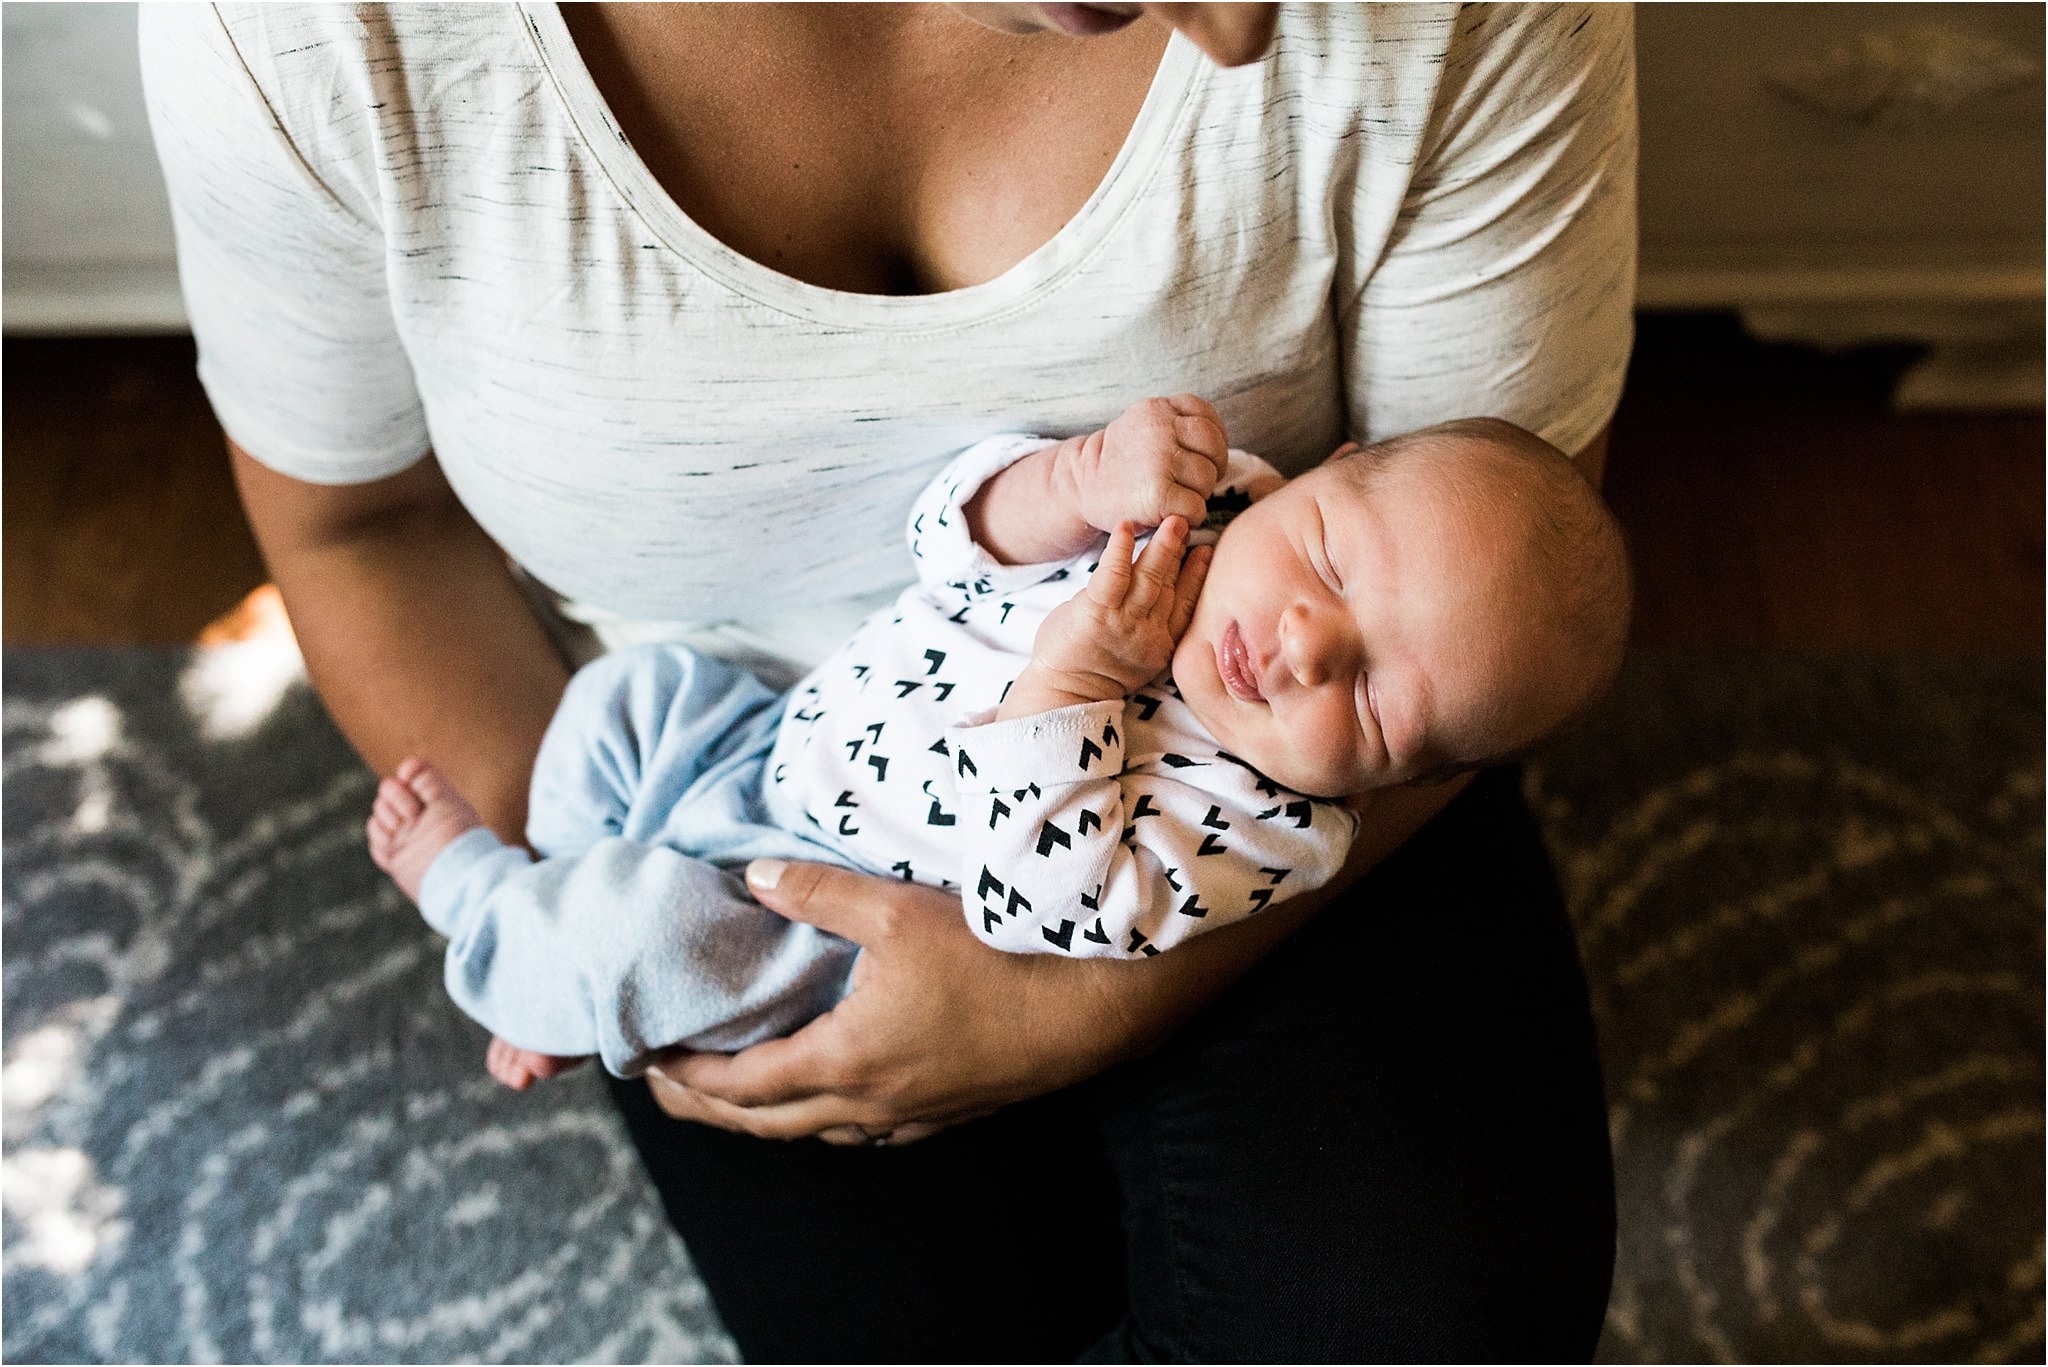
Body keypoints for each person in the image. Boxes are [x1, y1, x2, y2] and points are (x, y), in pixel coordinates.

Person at [142, 1, 1636, 1357]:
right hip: (756, 805)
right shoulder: (308, 36)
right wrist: (1068, 483)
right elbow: (362, 530)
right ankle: (517, 920)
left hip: (1209, 845)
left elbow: (1473, 618)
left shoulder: (1282, 764)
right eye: (1320, 548)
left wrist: (1072, 1010)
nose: (1245, 35)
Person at [365, 402, 1630, 1091]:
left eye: (1370, 708)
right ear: (1323, 473)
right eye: (1333, 560)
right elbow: (944, 539)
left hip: (812, 926)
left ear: (1397, 781)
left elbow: (1045, 902)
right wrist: (1073, 480)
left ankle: (499, 916)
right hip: (763, 737)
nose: (1304, 646)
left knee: (651, 941)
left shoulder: (1264, 832)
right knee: (623, 699)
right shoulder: (1203, 500)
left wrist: (1082, 674)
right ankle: (545, 952)